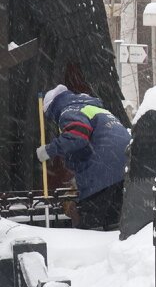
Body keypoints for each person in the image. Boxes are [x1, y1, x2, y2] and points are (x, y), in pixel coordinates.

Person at [36, 84, 131, 230]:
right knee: (113, 222)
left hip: (103, 169)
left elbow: (77, 137)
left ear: (53, 109)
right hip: (125, 164)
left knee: (91, 224)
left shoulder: (68, 110)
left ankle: (89, 249)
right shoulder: (92, 107)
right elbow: (85, 144)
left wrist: (48, 150)